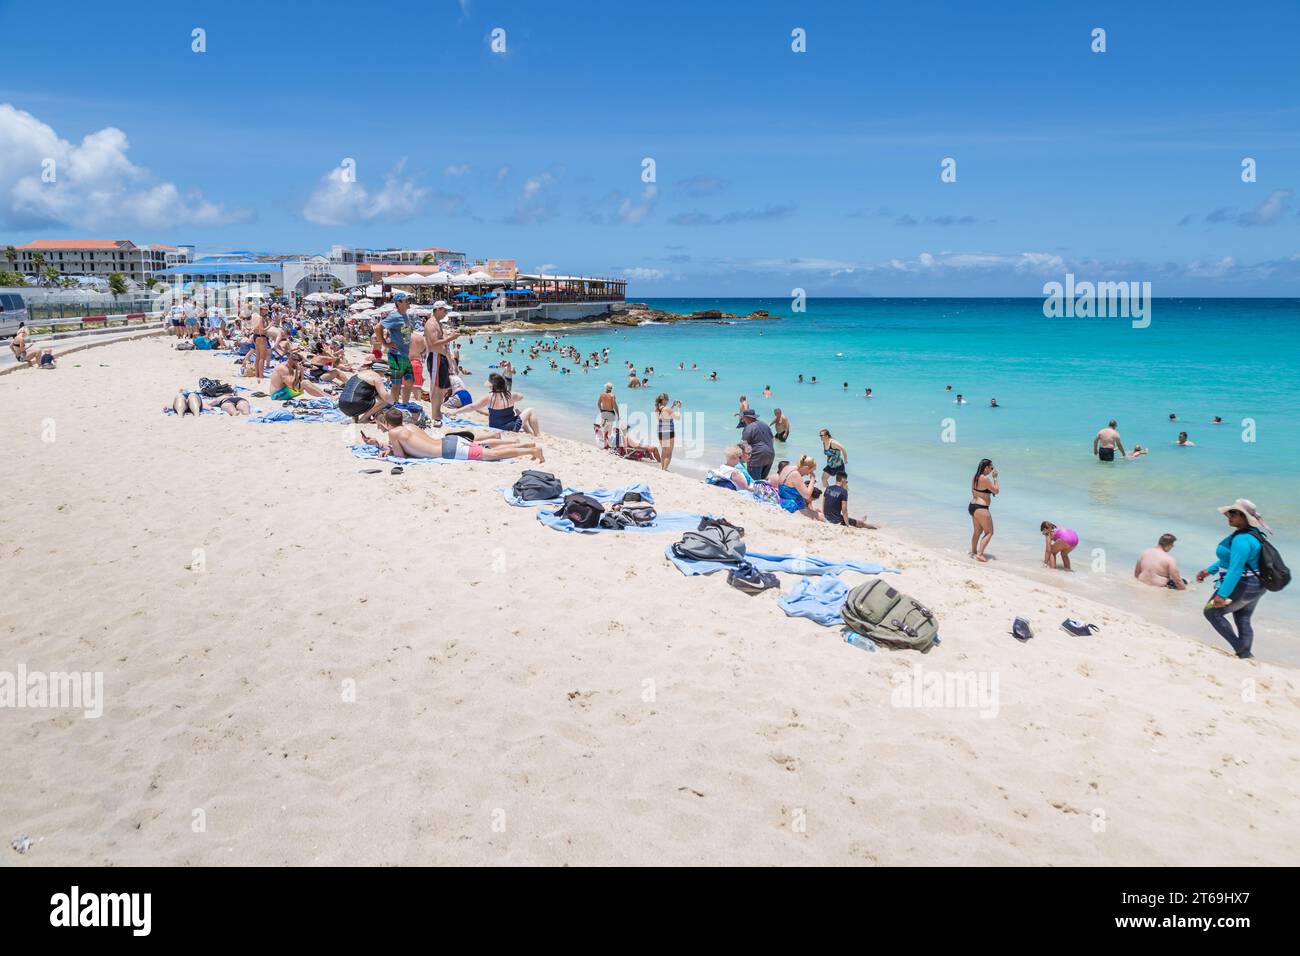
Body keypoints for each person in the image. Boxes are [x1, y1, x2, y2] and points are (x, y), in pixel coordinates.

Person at [1197, 499, 1271, 659]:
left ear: (1245, 517)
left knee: (1211, 612)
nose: (1229, 516)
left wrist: (1222, 594)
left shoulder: (1241, 539)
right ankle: (1245, 655)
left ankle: (1243, 652)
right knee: (1243, 618)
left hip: (1244, 584)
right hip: (1257, 584)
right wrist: (1209, 571)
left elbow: (1235, 569)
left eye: (1234, 513)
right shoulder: (1252, 534)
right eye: (1229, 513)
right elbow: (1232, 560)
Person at [365, 408, 544, 462]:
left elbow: (400, 455)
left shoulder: (394, 433)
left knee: (492, 455)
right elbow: (411, 444)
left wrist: (385, 449)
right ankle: (527, 447)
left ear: (387, 424)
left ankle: (531, 451)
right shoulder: (409, 426)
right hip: (450, 441)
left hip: (449, 450)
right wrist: (381, 445)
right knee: (485, 448)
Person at [457, 373, 540, 436]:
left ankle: (529, 431)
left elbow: (472, 407)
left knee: (518, 412)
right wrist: (513, 393)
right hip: (510, 427)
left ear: (491, 386)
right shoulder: (510, 395)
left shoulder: (488, 397)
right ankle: (537, 434)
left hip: (494, 427)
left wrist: (455, 412)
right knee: (530, 410)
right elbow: (521, 397)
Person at [423, 300, 460, 427]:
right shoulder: (431, 324)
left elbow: (443, 344)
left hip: (441, 357)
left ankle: (437, 412)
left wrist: (451, 362)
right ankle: (435, 415)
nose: (446, 313)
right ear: (438, 309)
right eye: (445, 310)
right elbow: (434, 344)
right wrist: (451, 338)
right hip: (435, 357)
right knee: (436, 387)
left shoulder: (438, 323)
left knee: (442, 388)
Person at [383, 293, 416, 404]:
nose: (408, 302)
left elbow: (405, 336)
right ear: (399, 303)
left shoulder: (405, 315)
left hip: (404, 354)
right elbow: (378, 327)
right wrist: (385, 343)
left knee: (410, 380)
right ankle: (395, 405)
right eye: (406, 300)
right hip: (395, 354)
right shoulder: (394, 316)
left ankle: (405, 404)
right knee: (396, 382)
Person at [969, 458, 998, 562]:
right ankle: (980, 554)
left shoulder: (975, 477)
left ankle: (973, 551)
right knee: (989, 532)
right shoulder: (985, 478)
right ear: (986, 468)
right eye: (991, 467)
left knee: (977, 531)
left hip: (972, 506)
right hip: (981, 508)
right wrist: (995, 478)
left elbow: (974, 491)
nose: (992, 470)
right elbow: (996, 490)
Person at [777, 455, 822, 520]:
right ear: (806, 467)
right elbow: (807, 495)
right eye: (810, 472)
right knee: (821, 516)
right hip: (791, 506)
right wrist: (812, 479)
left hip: (783, 501)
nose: (807, 474)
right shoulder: (795, 474)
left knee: (818, 510)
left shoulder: (787, 468)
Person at [740, 408, 775, 480]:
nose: (743, 420)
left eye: (743, 418)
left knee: (754, 481)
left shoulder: (749, 427)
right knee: (762, 481)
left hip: (757, 456)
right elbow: (772, 440)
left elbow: (744, 444)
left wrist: (740, 458)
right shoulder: (765, 425)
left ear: (747, 418)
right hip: (770, 455)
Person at [655, 393, 681, 470]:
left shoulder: (657, 409)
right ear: (664, 400)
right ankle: (665, 469)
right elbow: (678, 417)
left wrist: (672, 406)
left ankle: (662, 468)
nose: (668, 401)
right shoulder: (667, 409)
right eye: (667, 399)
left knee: (664, 451)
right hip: (668, 432)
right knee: (669, 453)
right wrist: (678, 408)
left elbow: (665, 415)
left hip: (660, 432)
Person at [250, 305, 271, 380]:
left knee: (258, 357)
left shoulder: (253, 316)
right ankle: (261, 375)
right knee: (262, 357)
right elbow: (262, 330)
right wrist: (270, 326)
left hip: (255, 337)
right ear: (261, 310)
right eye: (265, 309)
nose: (266, 311)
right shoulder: (260, 317)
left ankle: (257, 374)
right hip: (261, 337)